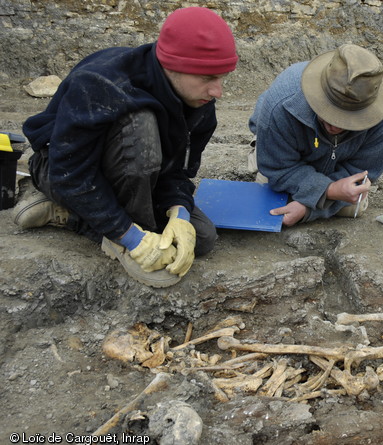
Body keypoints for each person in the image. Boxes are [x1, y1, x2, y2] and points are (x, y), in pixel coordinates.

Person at [11, 7, 238, 288]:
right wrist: (132, 238)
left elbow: (177, 172)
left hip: (137, 174)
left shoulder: (201, 106)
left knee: (202, 237)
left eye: (222, 77)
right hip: (63, 171)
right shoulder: (102, 84)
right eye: (207, 79)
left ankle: (70, 215)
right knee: (139, 127)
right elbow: (71, 175)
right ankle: (119, 240)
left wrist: (179, 210)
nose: (218, 92)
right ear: (171, 65)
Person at [248, 44, 383, 226]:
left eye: (347, 119)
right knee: (267, 203)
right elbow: (277, 168)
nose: (335, 125)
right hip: (283, 159)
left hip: (339, 167)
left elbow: (362, 174)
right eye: (329, 112)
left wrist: (308, 208)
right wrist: (329, 191)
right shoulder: (281, 102)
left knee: (353, 208)